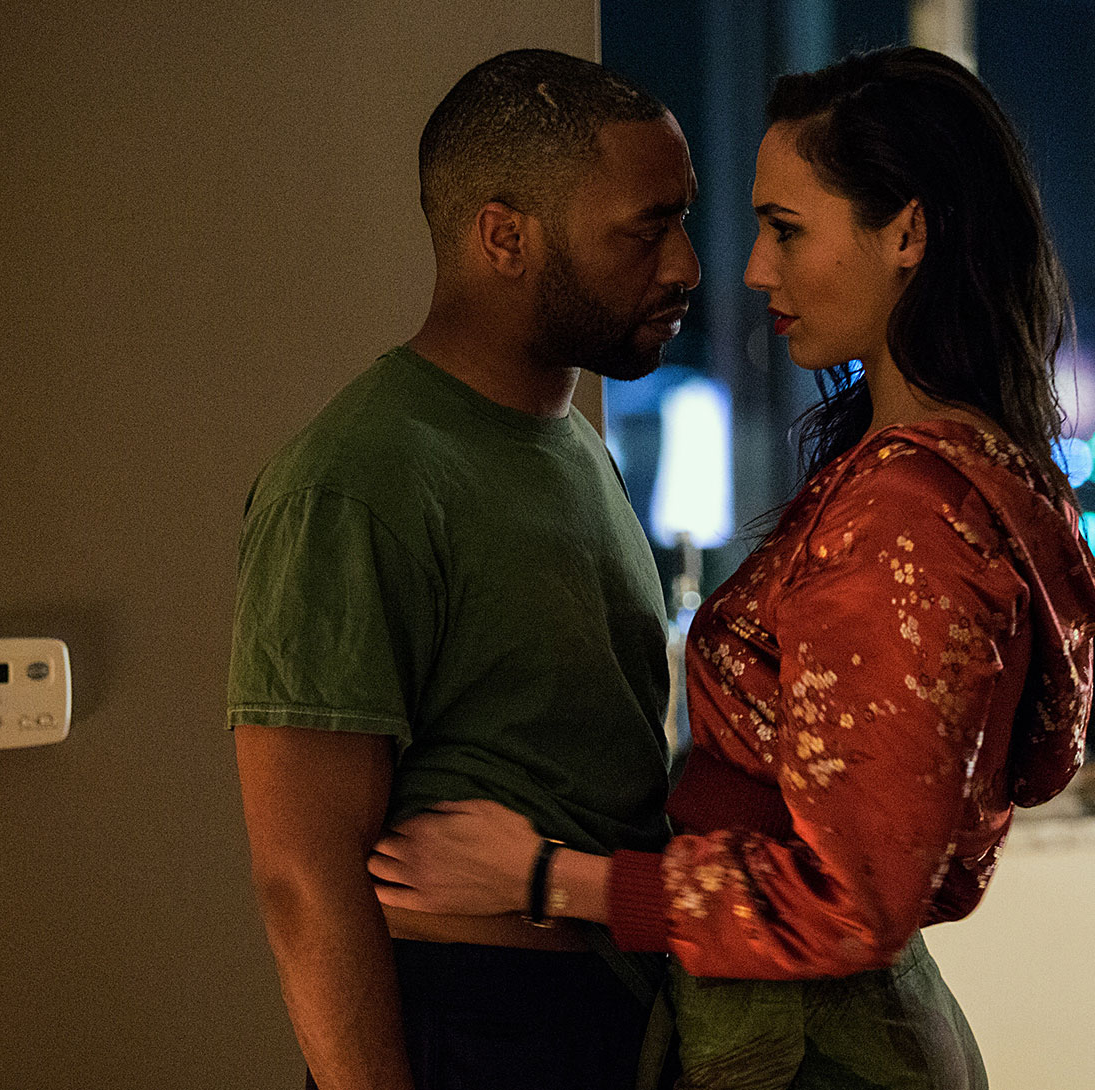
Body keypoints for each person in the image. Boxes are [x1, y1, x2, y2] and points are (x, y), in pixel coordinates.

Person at [367, 47, 1095, 1088]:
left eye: (786, 229)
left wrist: (546, 877)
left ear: (907, 233)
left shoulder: (912, 512)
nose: (754, 269)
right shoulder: (942, 477)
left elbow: (851, 900)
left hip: (810, 1045)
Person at [227, 49, 698, 1090]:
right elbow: (302, 875)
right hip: (474, 1030)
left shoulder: (577, 445)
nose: (685, 266)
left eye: (684, 220)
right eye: (645, 229)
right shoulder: (355, 477)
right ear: (504, 237)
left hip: (611, 1017)